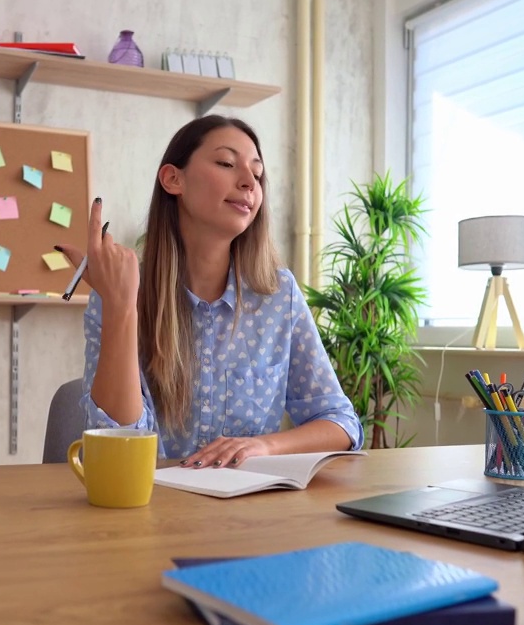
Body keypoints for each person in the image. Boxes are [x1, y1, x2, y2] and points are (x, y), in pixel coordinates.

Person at [55, 115, 362, 469]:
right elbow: (116, 446)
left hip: (248, 512)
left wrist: (262, 446)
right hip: (150, 510)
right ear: (173, 179)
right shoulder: (119, 291)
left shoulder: (279, 295)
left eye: (258, 174)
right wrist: (121, 305)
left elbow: (341, 422)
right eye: (226, 163)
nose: (249, 182)